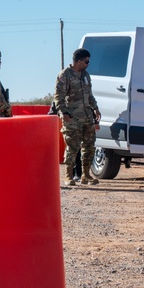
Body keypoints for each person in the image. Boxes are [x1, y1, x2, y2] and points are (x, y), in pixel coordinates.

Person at [54, 48, 100, 186]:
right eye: (86, 61)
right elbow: (58, 96)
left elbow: (89, 95)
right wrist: (64, 112)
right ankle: (68, 176)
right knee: (72, 147)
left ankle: (86, 175)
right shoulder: (65, 75)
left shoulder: (86, 75)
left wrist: (95, 108)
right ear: (79, 61)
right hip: (72, 118)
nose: (88, 64)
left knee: (89, 146)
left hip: (87, 117)